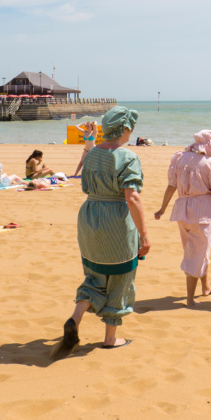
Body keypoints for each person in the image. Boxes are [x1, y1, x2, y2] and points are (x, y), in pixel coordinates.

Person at [50, 107, 149, 359]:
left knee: (95, 274)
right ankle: (110, 338)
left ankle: (76, 316)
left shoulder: (92, 154)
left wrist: (91, 137)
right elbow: (132, 197)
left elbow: (86, 173)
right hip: (115, 219)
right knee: (120, 278)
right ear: (125, 129)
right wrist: (145, 234)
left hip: (90, 217)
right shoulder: (128, 156)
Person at [154, 130, 211, 307]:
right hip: (202, 213)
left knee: (196, 251)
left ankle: (206, 287)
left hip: (182, 211)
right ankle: (190, 299)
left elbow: (171, 186)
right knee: (196, 254)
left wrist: (162, 209)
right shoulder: (210, 163)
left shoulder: (181, 159)